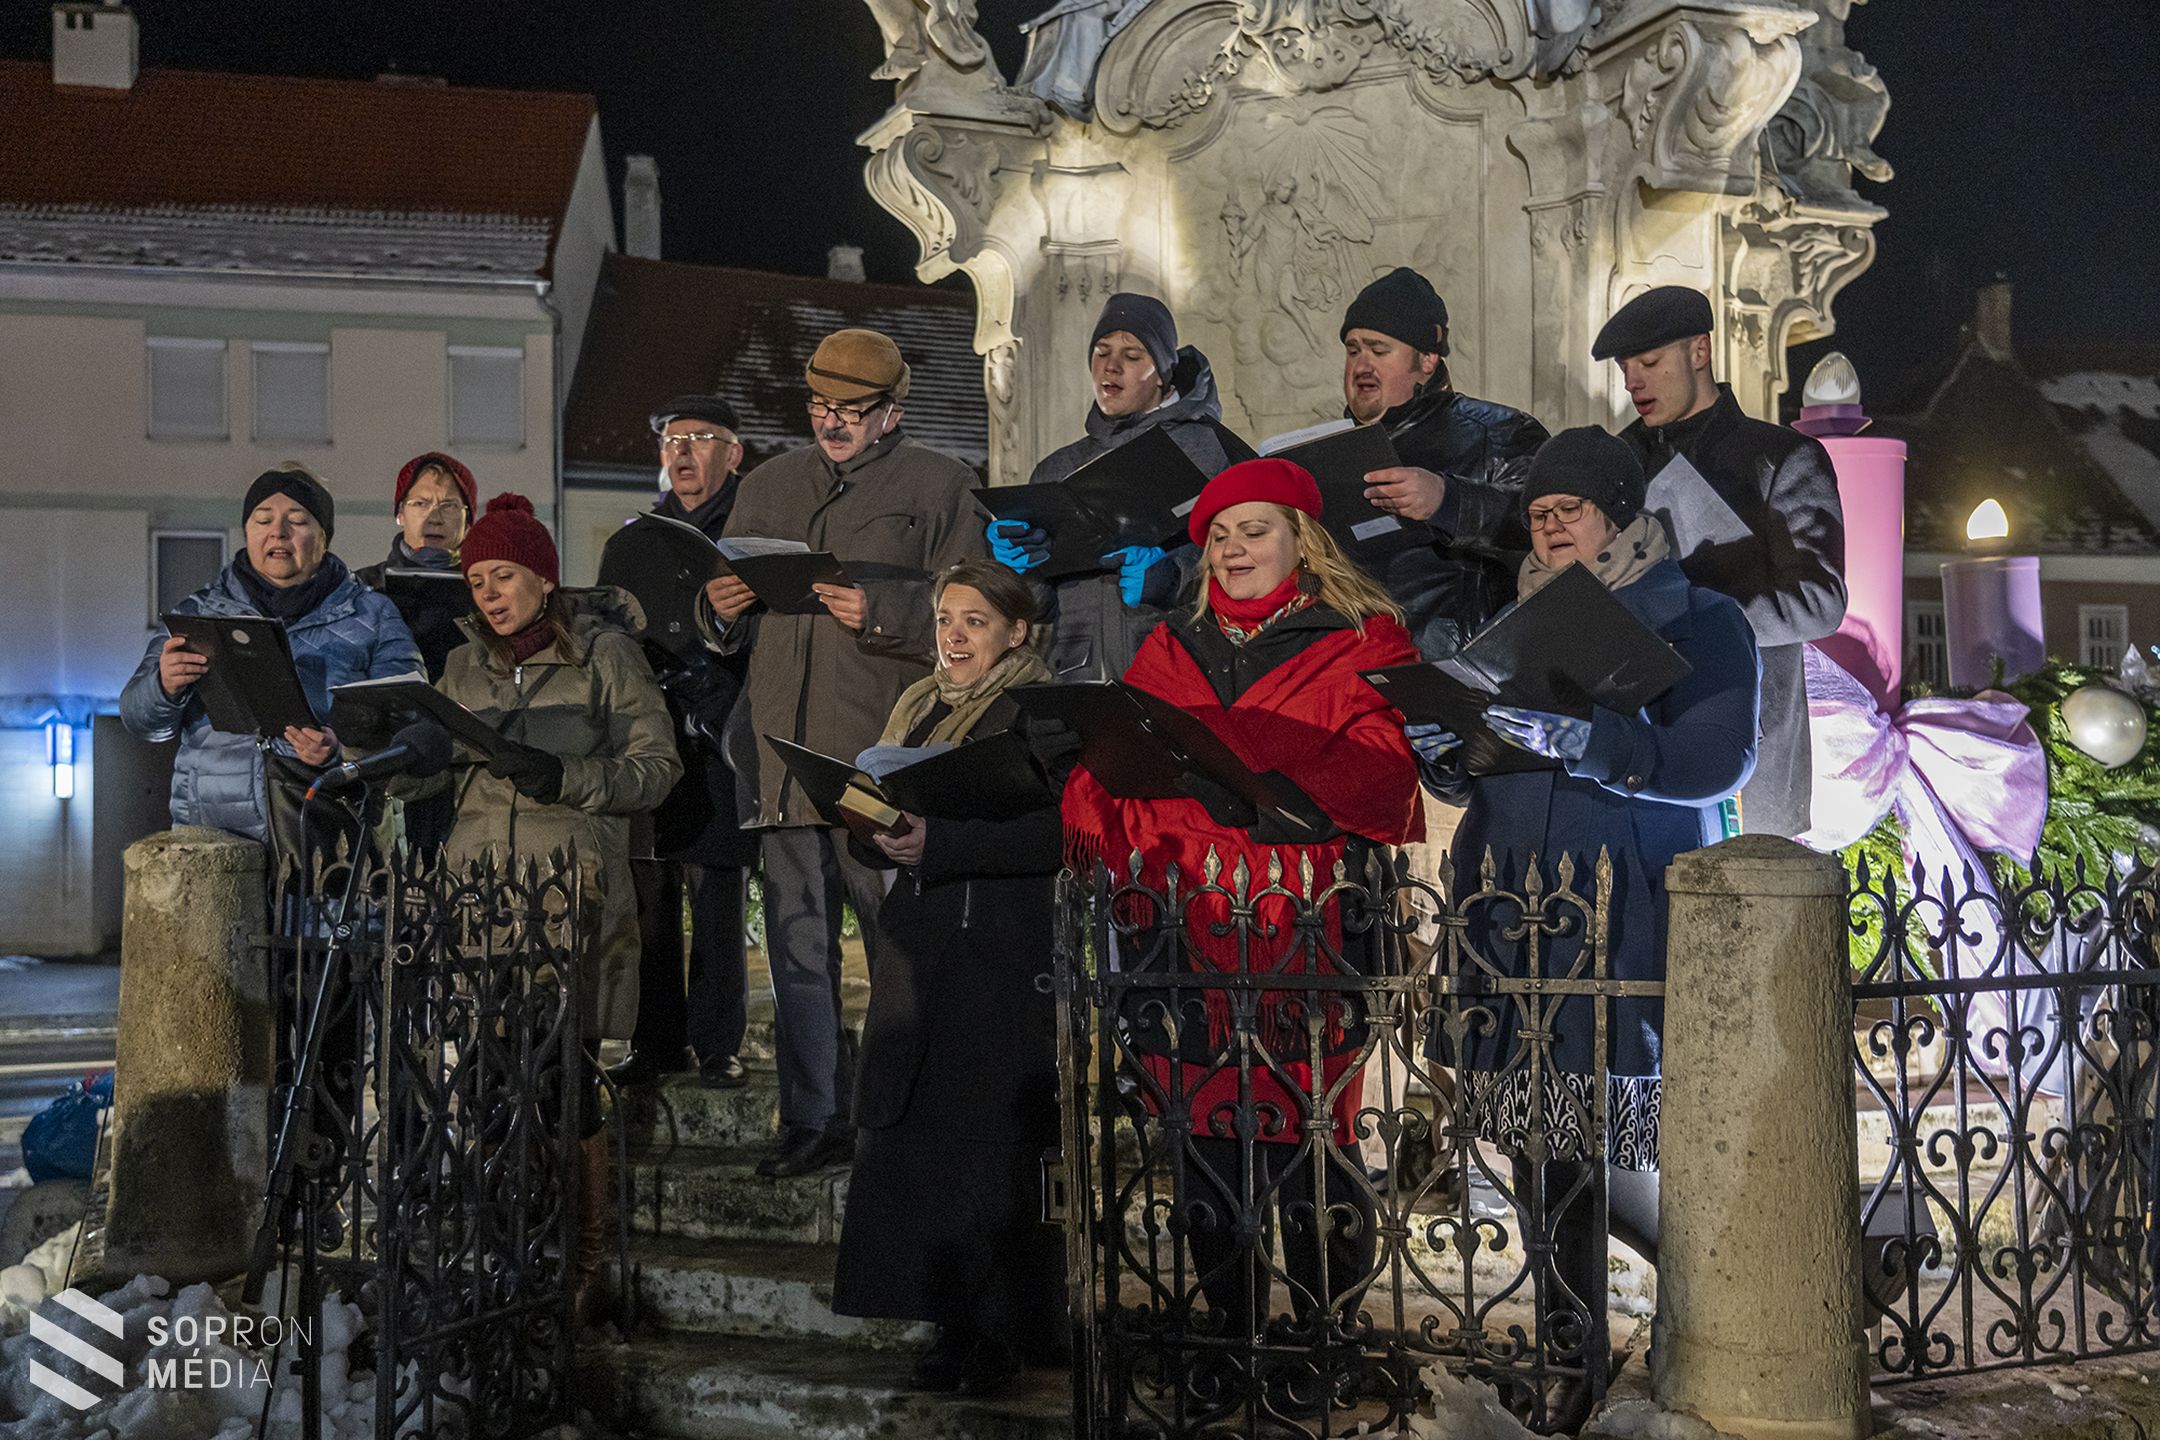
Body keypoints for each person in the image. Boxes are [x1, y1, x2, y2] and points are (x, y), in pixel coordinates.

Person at [1060, 458, 1424, 1415]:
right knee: (1203, 1148)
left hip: (1303, 930)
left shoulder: (1360, 639)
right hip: (1187, 931)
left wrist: (1242, 765)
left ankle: (1321, 1334)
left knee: (1312, 1143)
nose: (1232, 547)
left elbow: (1381, 769)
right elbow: (1109, 775)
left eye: (1252, 530)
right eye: (1219, 534)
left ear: (1301, 541)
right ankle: (1227, 1331)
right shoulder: (1168, 648)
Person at [1412, 427, 1759, 1426]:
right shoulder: (1506, 624)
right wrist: (1445, 747)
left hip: (1627, 909)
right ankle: (1572, 1349)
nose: (1550, 522)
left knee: (1628, 1152)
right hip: (1514, 904)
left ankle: (1729, 1306)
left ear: (1621, 512)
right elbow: (1479, 764)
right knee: (1539, 1150)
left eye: (1571, 507)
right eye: (1538, 512)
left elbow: (1713, 759)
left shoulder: (1697, 618)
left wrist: (1596, 739)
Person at [698, 327, 986, 1179]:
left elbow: (976, 615)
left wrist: (887, 612)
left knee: (900, 945)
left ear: (893, 412)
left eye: (853, 411)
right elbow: (727, 633)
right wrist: (718, 611)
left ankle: (906, 1114)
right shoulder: (769, 485)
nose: (833, 423)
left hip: (880, 756)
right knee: (795, 949)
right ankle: (813, 1116)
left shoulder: (942, 485)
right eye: (821, 407)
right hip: (782, 758)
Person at [436, 493, 683, 1329]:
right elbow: (430, 773)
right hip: (479, 903)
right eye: (476, 580)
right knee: (485, 1080)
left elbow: (657, 767)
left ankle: (582, 1259)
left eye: (504, 575)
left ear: (543, 575)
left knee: (559, 1081)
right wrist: (377, 748)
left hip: (565, 899)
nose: (490, 595)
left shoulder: (603, 655)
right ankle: (512, 1241)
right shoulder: (461, 666)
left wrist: (568, 778)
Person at [829, 560, 1070, 1399]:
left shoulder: (1038, 713)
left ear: (1016, 632)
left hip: (999, 954)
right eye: (944, 619)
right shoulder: (918, 707)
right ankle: (942, 1318)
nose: (954, 636)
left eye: (974, 620)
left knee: (986, 1148)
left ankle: (1001, 1330)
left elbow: (1058, 836)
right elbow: (882, 817)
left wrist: (946, 843)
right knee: (915, 1143)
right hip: (921, 943)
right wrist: (869, 824)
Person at [1594, 284, 1845, 837]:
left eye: (1650, 362)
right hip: (1638, 743)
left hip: (1751, 736)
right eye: (1625, 367)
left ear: (1700, 352)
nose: (1633, 381)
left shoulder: (1781, 457)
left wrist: (1697, 614)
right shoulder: (1613, 463)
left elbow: (1822, 603)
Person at [121, 465, 420, 849]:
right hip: (216, 841)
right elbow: (138, 718)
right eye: (264, 520)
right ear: (247, 532)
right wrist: (163, 685)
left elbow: (411, 724)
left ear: (324, 538)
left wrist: (341, 751)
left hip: (329, 842)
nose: (278, 532)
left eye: (297, 521)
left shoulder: (373, 615)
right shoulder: (200, 611)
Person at [604, 395, 760, 1092]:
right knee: (651, 893)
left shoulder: (753, 533)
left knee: (719, 893)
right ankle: (655, 1038)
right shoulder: (631, 540)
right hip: (650, 730)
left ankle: (720, 1041)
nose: (684, 452)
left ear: (735, 453)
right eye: (673, 440)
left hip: (725, 733)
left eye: (702, 438)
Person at [987, 291, 1254, 681]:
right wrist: (1018, 570)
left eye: (1132, 356)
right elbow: (1038, 606)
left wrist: (1171, 580)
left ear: (1162, 372)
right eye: (1101, 352)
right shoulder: (1056, 467)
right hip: (1077, 671)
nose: (1111, 367)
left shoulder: (1213, 451)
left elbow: (1256, 566)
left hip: (1183, 667)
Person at [1340, 266, 1551, 661]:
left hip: (1450, 664)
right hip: (1349, 666)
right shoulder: (1332, 447)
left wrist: (1450, 500)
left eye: (1379, 350)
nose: (1361, 366)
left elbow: (1548, 526)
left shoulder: (1499, 431)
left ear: (1427, 360)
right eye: (1353, 351)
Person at [355, 452, 478, 680]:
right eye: (421, 504)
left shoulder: (487, 591)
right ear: (400, 514)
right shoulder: (363, 587)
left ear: (468, 519)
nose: (435, 517)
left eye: (449, 506)